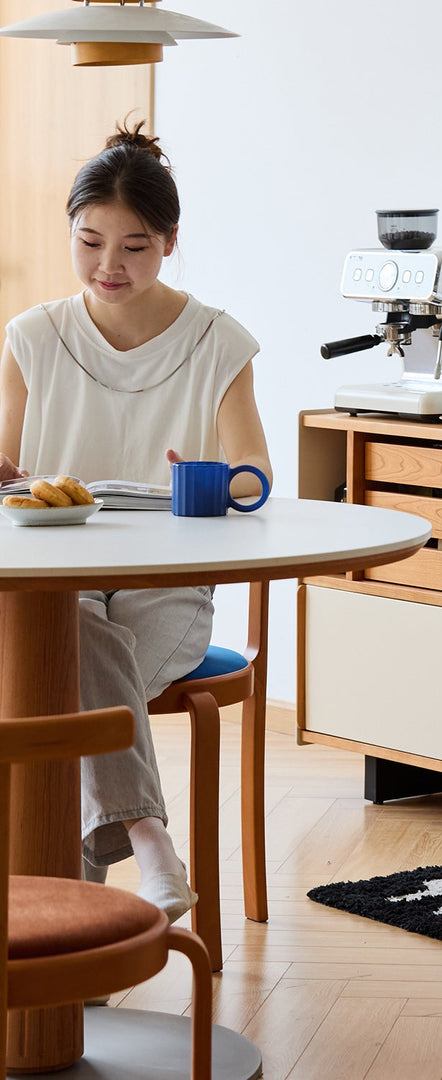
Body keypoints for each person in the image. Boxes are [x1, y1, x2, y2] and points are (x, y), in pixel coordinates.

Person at [0, 121, 272, 923]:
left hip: (169, 585)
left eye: (135, 247)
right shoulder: (32, 337)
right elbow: (5, 466)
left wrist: (210, 478)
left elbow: (256, 477)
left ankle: (68, 929)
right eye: (89, 243)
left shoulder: (216, 340)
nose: (108, 266)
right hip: (61, 584)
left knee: (64, 681)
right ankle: (152, 850)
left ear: (171, 243)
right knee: (75, 635)